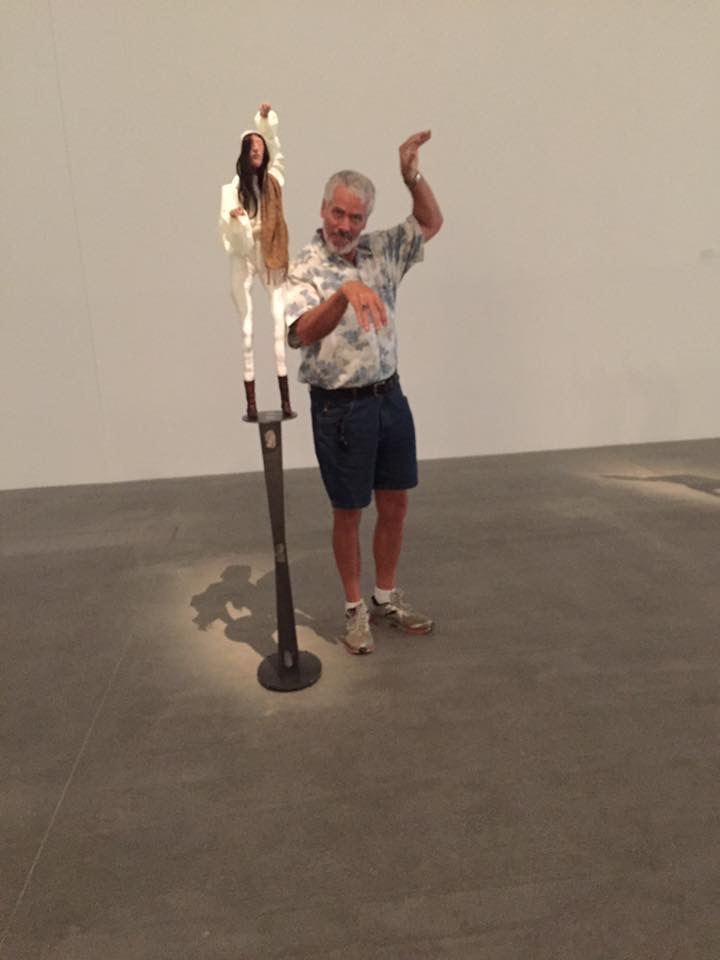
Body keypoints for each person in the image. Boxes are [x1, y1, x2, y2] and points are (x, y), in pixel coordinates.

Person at [284, 130, 443, 654]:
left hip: (389, 398)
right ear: (323, 209)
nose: (345, 226)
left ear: (366, 220)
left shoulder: (381, 250)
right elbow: (300, 332)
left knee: (395, 503)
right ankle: (354, 610)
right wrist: (344, 294)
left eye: (355, 217)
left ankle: (385, 598)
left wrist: (411, 177)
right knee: (349, 511)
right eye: (338, 213)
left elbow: (430, 223)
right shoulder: (302, 266)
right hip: (340, 407)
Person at [218, 102, 293, 419]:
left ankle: (285, 400)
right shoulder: (232, 190)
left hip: (271, 252)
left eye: (260, 147)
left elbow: (275, 144)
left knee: (278, 322)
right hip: (246, 255)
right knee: (247, 329)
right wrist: (238, 221)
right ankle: (251, 403)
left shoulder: (273, 181)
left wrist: (263, 120)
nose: (258, 151)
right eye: (252, 148)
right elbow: (231, 237)